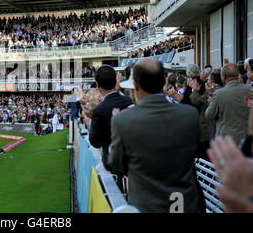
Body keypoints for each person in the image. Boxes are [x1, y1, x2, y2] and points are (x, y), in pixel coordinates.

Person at [107, 59, 203, 213]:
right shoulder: (190, 115)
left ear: (136, 85)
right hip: (185, 205)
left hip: (146, 206)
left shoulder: (122, 120)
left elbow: (116, 164)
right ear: (164, 82)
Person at [88, 65, 132, 171]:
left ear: (97, 84)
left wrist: (92, 117)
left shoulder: (99, 110)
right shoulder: (130, 101)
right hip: (134, 162)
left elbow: (95, 142)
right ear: (116, 81)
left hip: (113, 165)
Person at [205, 63, 252, 146]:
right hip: (246, 140)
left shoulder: (219, 94)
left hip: (226, 141)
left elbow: (209, 115)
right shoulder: (250, 90)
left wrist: (211, 102)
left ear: (224, 76)